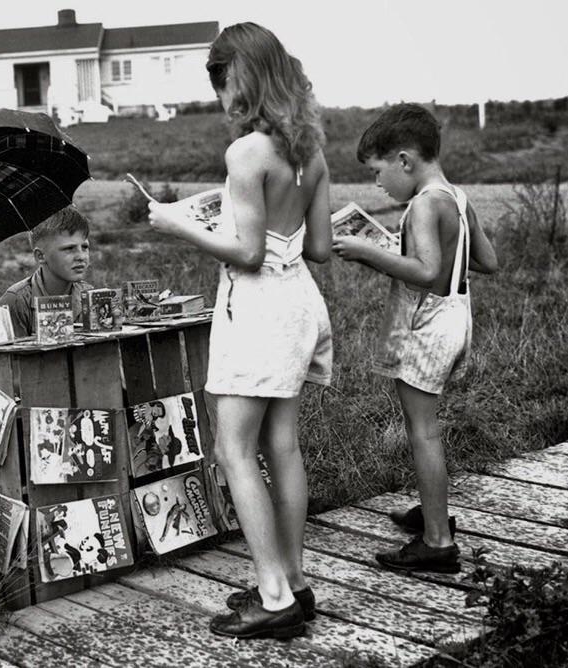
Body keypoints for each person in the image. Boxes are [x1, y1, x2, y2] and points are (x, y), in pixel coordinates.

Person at [147, 22, 333, 639]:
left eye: (221, 82)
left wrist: (177, 224)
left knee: (233, 449)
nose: (222, 99)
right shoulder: (312, 150)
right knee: (282, 445)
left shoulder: (247, 152)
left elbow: (248, 253)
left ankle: (274, 595)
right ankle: (295, 580)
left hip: (255, 309)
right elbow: (322, 247)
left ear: (242, 76)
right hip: (298, 301)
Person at [333, 103, 498, 573]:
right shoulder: (457, 198)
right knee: (424, 426)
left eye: (378, 172)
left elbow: (425, 272)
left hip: (427, 325)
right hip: (456, 317)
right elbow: (487, 261)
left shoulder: (424, 204)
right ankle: (432, 511)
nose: (378, 184)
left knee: (422, 430)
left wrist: (369, 251)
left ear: (405, 161)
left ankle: (437, 541)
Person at [0, 206, 93, 337]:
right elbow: (8, 356)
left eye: (85, 247)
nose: (81, 256)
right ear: (40, 256)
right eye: (69, 249)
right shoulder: (15, 302)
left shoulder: (89, 295)